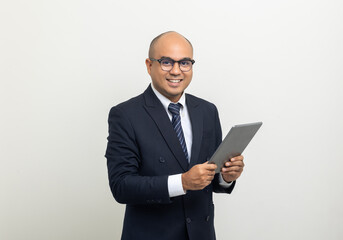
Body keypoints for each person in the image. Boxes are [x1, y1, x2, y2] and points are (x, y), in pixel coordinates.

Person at [105, 31, 245, 240]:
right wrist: (183, 182)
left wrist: (226, 176)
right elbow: (121, 186)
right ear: (149, 65)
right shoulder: (125, 114)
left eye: (185, 62)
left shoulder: (207, 111)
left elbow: (212, 179)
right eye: (166, 62)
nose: (176, 71)